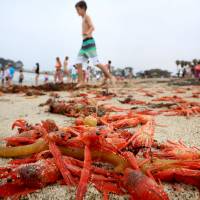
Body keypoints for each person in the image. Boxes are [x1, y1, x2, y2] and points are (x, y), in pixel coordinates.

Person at [74, 1, 114, 88]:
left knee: (96, 62)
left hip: (89, 42)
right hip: (84, 44)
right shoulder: (83, 18)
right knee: (78, 62)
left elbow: (92, 27)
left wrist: (88, 33)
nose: (77, 12)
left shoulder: (87, 17)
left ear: (83, 9)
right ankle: (81, 82)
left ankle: (110, 77)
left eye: (78, 10)